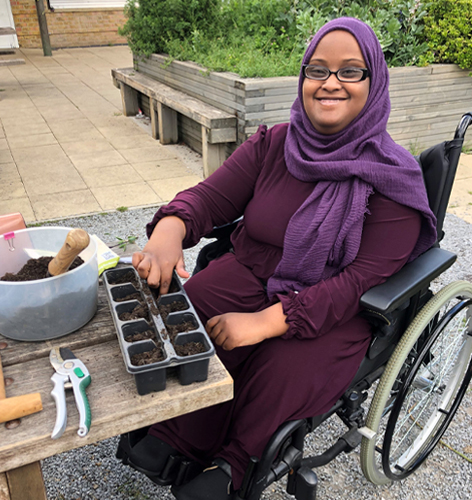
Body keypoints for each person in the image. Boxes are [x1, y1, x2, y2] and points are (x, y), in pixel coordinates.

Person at [122, 18, 437, 500]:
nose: (330, 82)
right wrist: (170, 230)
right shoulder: (273, 145)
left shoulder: (392, 177)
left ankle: (236, 466)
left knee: (282, 364)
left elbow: (357, 283)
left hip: (335, 304)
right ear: (303, 79)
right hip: (251, 268)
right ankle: (179, 434)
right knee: (191, 311)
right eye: (318, 69)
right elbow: (207, 198)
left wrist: (271, 320)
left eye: (351, 71)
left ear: (374, 83)